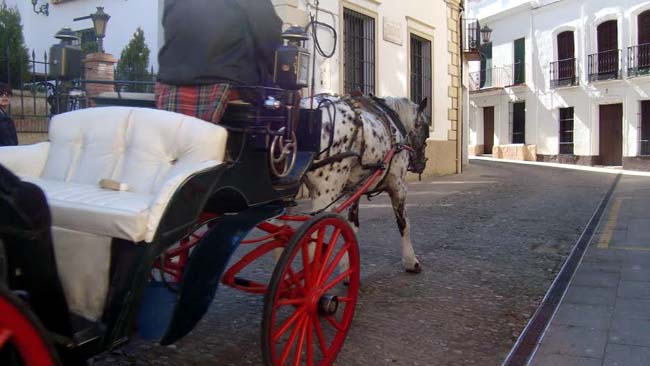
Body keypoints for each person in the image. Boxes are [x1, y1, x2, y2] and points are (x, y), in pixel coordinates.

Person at [156, 0, 283, 123]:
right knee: (283, 100)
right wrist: (282, 73)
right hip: (229, 84)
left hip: (170, 85)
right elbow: (270, 40)